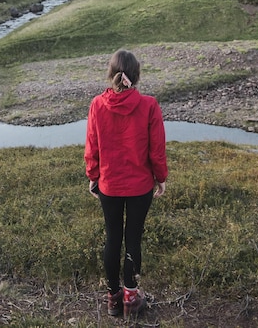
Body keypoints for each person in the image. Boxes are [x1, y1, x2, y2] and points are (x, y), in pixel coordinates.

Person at [84, 49, 168, 319]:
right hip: (140, 186)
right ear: (136, 74)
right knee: (133, 238)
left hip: (109, 185)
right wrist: (161, 178)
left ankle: (113, 300)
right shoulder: (149, 105)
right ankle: (131, 298)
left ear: (111, 74)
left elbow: (92, 146)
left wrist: (93, 176)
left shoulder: (97, 104)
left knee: (112, 238)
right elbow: (157, 149)